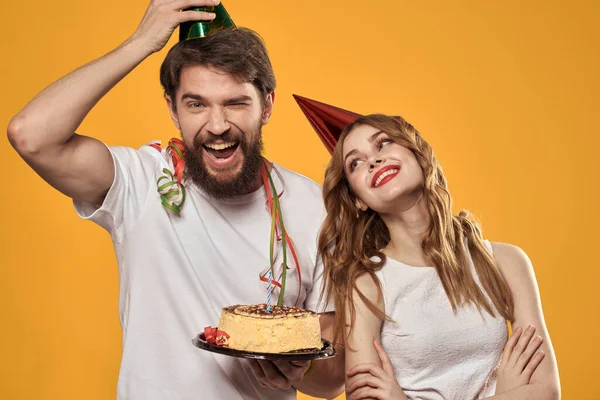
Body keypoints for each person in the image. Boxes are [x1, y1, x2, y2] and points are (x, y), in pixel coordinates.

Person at [7, 1, 344, 399]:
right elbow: (31, 135)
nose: (217, 126)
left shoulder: (317, 208)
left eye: (235, 102)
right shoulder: (142, 181)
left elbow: (332, 380)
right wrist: (140, 43)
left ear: (267, 105)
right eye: (196, 104)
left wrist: (295, 371)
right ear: (172, 107)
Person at [312, 111, 561, 399]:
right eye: (355, 163)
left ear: (419, 154)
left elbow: (546, 392)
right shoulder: (366, 286)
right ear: (358, 199)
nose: (373, 160)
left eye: (383, 143)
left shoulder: (507, 263)